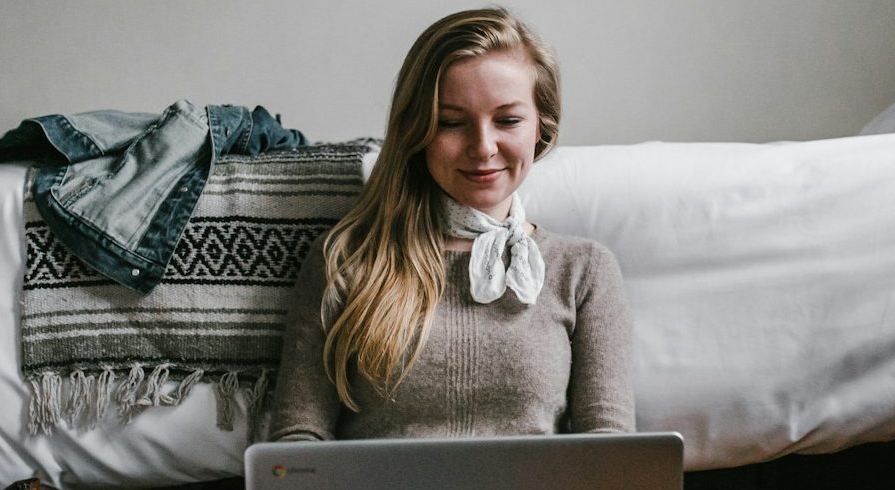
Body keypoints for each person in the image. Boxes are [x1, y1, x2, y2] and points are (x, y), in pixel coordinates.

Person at [267, 7, 633, 442]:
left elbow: (610, 453)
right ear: (416, 132)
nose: (483, 147)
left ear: (542, 128)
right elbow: (297, 442)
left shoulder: (584, 270)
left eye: (508, 120)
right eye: (451, 123)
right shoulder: (346, 261)